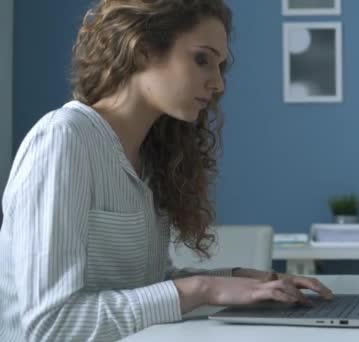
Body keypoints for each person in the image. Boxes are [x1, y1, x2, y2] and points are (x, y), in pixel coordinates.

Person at [0, 0, 333, 340]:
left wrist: (247, 281)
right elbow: (49, 325)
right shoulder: (64, 139)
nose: (218, 84)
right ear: (143, 49)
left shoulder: (149, 156)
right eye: (202, 59)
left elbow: (145, 288)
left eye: (220, 66)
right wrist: (204, 288)